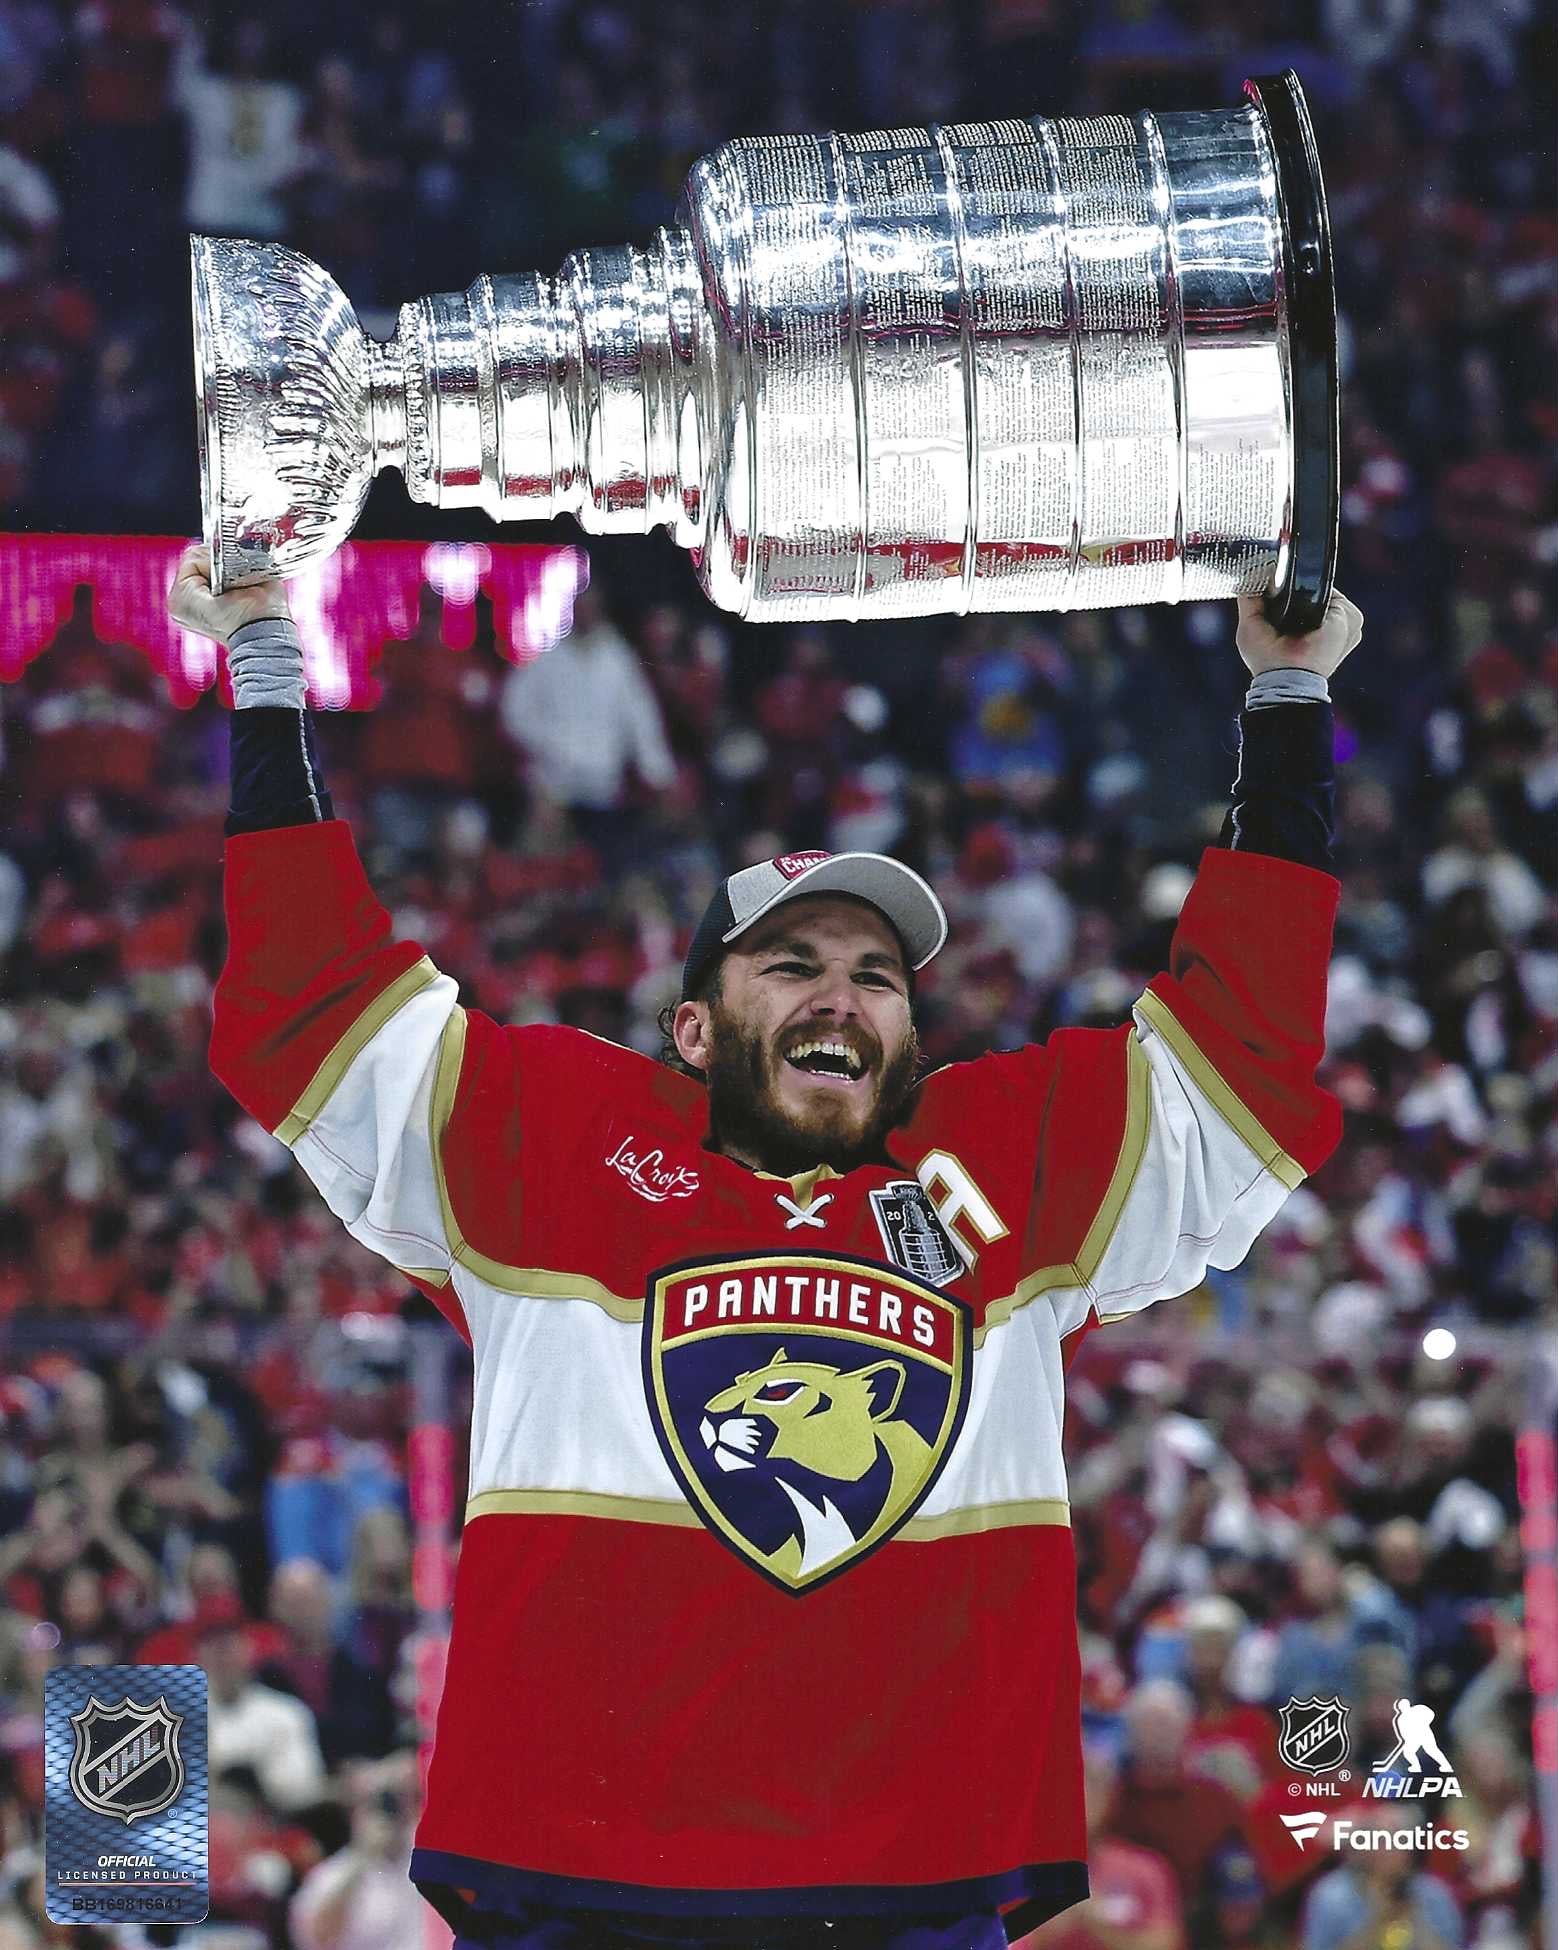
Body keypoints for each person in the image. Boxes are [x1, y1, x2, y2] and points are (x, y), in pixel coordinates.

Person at [169, 543, 1361, 1948]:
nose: (840, 998)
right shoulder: (562, 1140)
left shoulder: (989, 1180)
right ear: (693, 1030)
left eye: (873, 977)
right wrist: (260, 657)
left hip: (909, 1878)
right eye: (789, 965)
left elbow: (1238, 1059)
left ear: (910, 1038)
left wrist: (1284, 696)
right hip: (586, 1875)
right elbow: (316, 998)